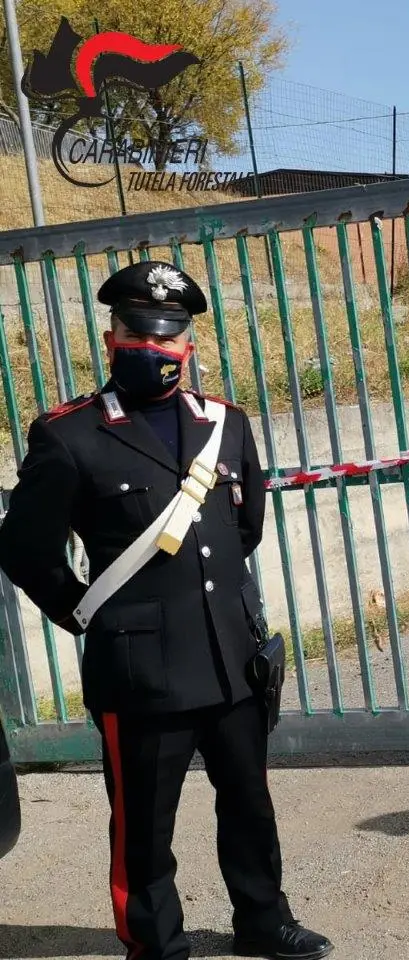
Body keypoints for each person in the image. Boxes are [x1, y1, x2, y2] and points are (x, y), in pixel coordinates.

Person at [0, 261, 333, 959]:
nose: (153, 346)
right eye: (137, 331)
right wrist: (90, 616)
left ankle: (263, 919)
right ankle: (155, 942)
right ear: (112, 335)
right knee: (144, 824)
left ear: (188, 343)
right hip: (140, 669)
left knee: (249, 802)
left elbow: (245, 531)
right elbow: (26, 550)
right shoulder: (69, 436)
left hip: (232, 661)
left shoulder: (227, 425)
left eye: (168, 334)